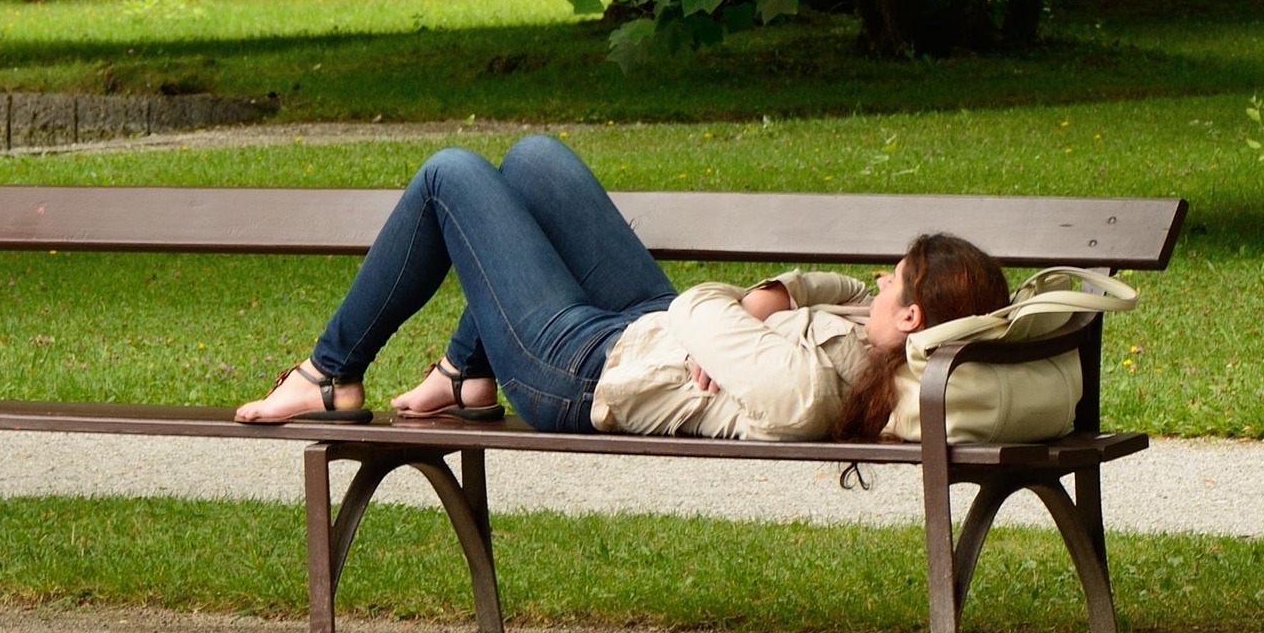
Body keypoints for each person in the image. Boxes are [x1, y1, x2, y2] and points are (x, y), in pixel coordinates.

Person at [233, 136, 1009, 439]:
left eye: (893, 279)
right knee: (535, 162)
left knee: (449, 177)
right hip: (650, 334)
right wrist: (761, 306)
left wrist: (720, 320)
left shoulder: (824, 386)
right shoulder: (875, 338)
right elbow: (818, 286)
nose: (875, 278)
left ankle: (326, 374)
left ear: (910, 315)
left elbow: (701, 313)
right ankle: (466, 373)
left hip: (586, 372)